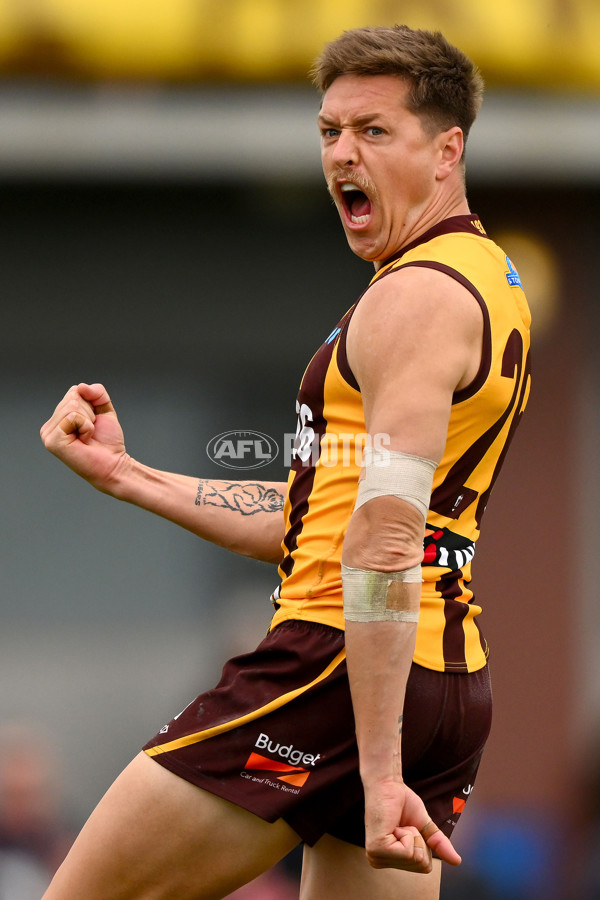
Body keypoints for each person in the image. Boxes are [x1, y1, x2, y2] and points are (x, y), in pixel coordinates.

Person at [39, 24, 531, 900]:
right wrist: (129, 475)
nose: (342, 153)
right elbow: (315, 521)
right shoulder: (484, 276)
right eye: (329, 133)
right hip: (441, 683)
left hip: (338, 664)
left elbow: (382, 542)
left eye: (374, 131)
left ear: (447, 148)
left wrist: (379, 775)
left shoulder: (414, 298)